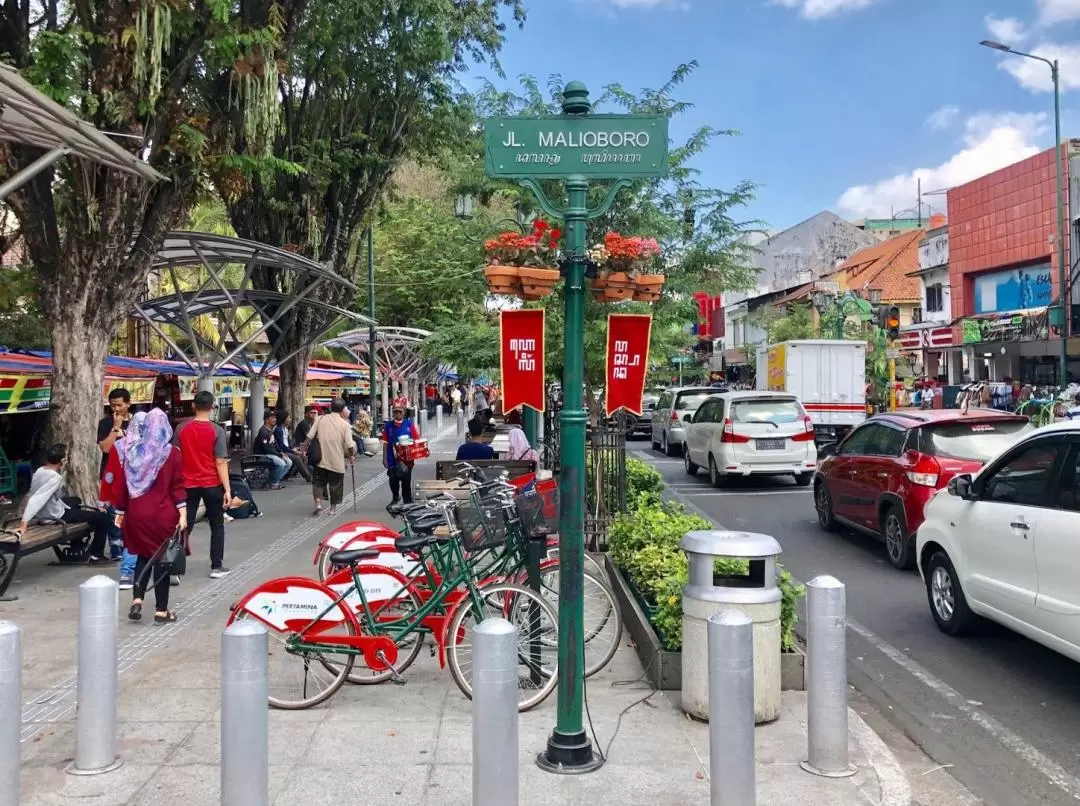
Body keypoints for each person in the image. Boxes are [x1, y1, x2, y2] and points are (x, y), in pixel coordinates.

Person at [109, 409, 187, 624]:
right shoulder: (172, 453)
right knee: (162, 561)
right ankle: (161, 611)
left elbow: (123, 487)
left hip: (136, 515)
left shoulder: (131, 453)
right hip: (163, 515)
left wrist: (120, 512)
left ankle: (137, 599)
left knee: (143, 556)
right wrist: (183, 513)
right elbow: (177, 487)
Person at [17, 444, 114, 565]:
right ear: (62, 461)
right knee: (103, 518)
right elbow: (36, 499)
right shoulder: (55, 478)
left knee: (75, 501)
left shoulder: (40, 471)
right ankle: (96, 556)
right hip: (55, 515)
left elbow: (35, 493)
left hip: (49, 508)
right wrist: (24, 523)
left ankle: (77, 543)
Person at [174, 390, 232, 580]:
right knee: (217, 525)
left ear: (193, 406)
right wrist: (228, 489)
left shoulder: (181, 428)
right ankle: (217, 566)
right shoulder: (217, 431)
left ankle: (174, 566)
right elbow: (221, 462)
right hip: (212, 483)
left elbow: (175, 456)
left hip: (187, 484)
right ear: (212, 407)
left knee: (185, 525)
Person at [97, 388, 136, 584]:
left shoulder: (138, 422)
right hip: (111, 477)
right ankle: (116, 548)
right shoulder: (106, 423)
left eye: (119, 405)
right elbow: (105, 448)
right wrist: (115, 428)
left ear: (128, 404)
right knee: (113, 512)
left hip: (132, 475)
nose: (116, 409)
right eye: (112, 405)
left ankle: (126, 549)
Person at [306, 398, 356, 516]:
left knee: (318, 482)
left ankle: (318, 503)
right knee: (336, 484)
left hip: (320, 458)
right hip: (336, 460)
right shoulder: (345, 425)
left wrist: (303, 450)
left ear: (330, 407)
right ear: (343, 409)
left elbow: (309, 436)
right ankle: (332, 509)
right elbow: (349, 444)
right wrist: (351, 456)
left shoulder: (320, 419)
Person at [382, 397, 420, 511]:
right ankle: (395, 497)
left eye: (399, 411)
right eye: (395, 411)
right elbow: (385, 442)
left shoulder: (409, 424)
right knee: (393, 479)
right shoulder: (388, 425)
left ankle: (407, 501)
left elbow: (416, 440)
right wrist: (384, 458)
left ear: (404, 412)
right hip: (392, 458)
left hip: (406, 458)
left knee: (406, 480)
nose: (397, 414)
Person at [253, 411, 289, 489]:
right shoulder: (263, 431)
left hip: (272, 454)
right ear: (266, 420)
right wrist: (279, 455)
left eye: (275, 418)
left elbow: (275, 445)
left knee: (289, 462)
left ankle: (274, 480)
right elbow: (266, 449)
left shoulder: (270, 430)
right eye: (272, 418)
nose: (275, 420)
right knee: (282, 463)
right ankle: (273, 483)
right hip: (263, 455)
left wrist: (281, 452)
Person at [274, 411, 312, 482]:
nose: (290, 419)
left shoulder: (285, 429)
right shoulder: (278, 429)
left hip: (287, 450)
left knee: (301, 454)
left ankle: (286, 475)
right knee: (296, 457)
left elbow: (288, 442)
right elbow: (281, 445)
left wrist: (294, 449)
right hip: (282, 451)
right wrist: (293, 451)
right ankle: (308, 477)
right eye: (288, 417)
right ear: (283, 419)